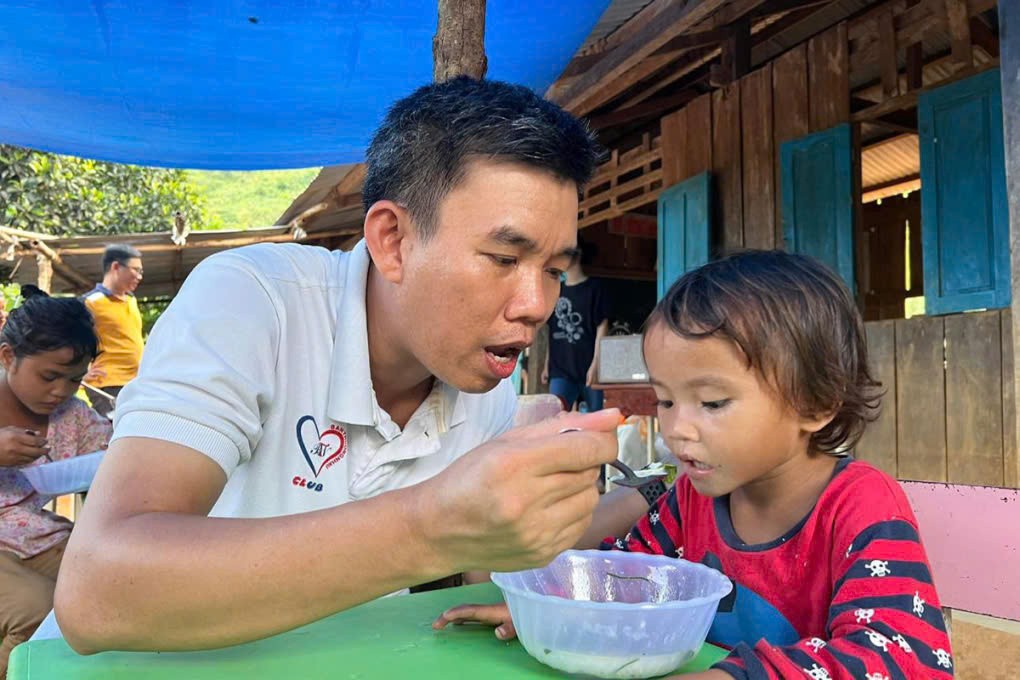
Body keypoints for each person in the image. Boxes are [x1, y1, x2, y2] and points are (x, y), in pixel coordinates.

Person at [54, 76, 622, 653]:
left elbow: (488, 572)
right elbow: (98, 593)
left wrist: (542, 537)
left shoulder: (487, 391)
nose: (535, 306)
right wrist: (429, 526)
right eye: (504, 257)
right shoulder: (256, 303)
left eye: (553, 270)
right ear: (393, 240)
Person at [435, 251, 953, 679]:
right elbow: (625, 580)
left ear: (815, 404)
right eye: (665, 401)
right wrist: (556, 613)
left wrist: (734, 677)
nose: (677, 428)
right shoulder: (691, 498)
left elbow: (904, 657)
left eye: (711, 403)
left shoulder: (859, 505)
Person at [0, 285, 111, 675]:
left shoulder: (71, 416)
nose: (60, 391)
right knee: (38, 610)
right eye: (49, 376)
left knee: (113, 580)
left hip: (36, 538)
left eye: (74, 380)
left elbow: (117, 447)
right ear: (8, 357)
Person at [542, 239, 609, 412]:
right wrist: (546, 364)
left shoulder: (594, 288)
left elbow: (602, 327)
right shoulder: (556, 290)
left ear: (577, 253)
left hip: (588, 367)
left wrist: (596, 364)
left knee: (596, 422)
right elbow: (552, 329)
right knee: (555, 417)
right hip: (560, 369)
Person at [81, 244, 145, 417]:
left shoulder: (131, 300)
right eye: (135, 270)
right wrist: (81, 373)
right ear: (116, 267)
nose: (139, 277)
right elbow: (67, 339)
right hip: (107, 384)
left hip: (136, 382)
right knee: (116, 435)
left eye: (141, 272)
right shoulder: (90, 302)